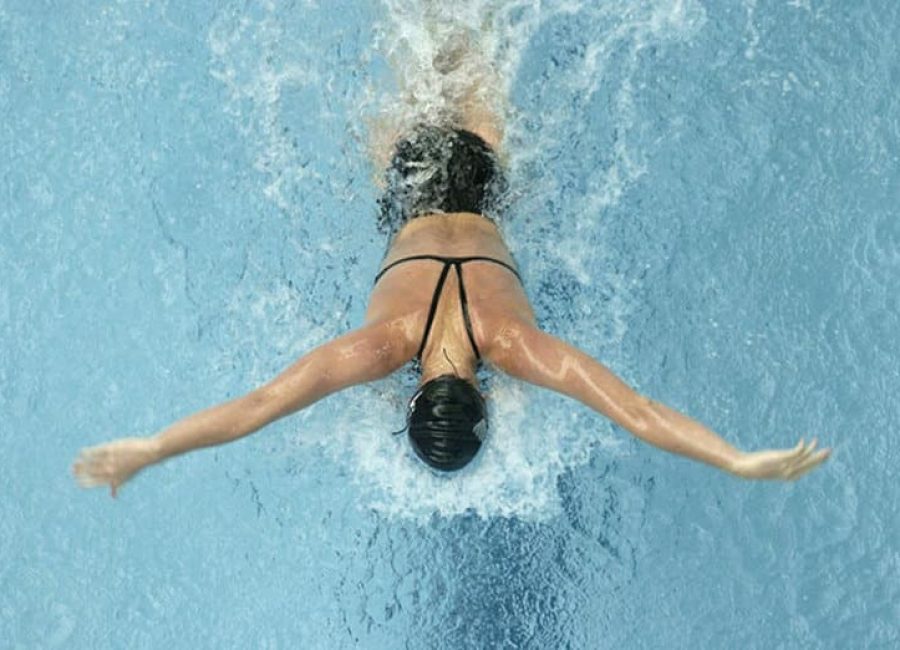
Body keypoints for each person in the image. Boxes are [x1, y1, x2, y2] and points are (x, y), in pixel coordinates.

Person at [73, 39, 831, 497]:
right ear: (412, 405)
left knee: (472, 31)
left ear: (484, 406)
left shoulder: (510, 346)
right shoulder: (386, 348)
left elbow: (633, 412)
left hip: (482, 180)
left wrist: (738, 459)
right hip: (407, 184)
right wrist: (152, 448)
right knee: (416, 39)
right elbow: (263, 403)